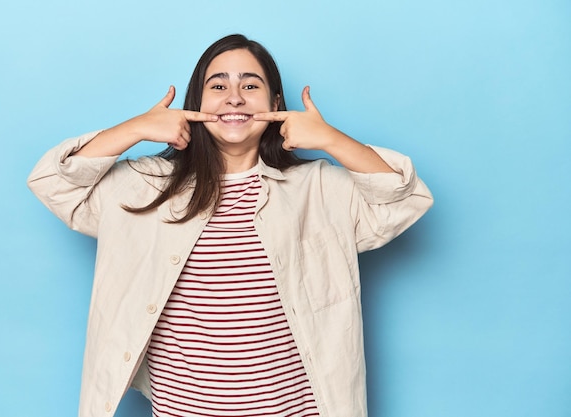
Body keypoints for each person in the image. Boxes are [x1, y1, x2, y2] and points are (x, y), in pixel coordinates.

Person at [28, 34, 433, 417]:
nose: (234, 97)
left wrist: (331, 139)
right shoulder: (146, 185)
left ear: (276, 101)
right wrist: (132, 129)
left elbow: (405, 200)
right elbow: (53, 183)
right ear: (195, 102)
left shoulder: (318, 188)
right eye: (218, 86)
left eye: (251, 86)